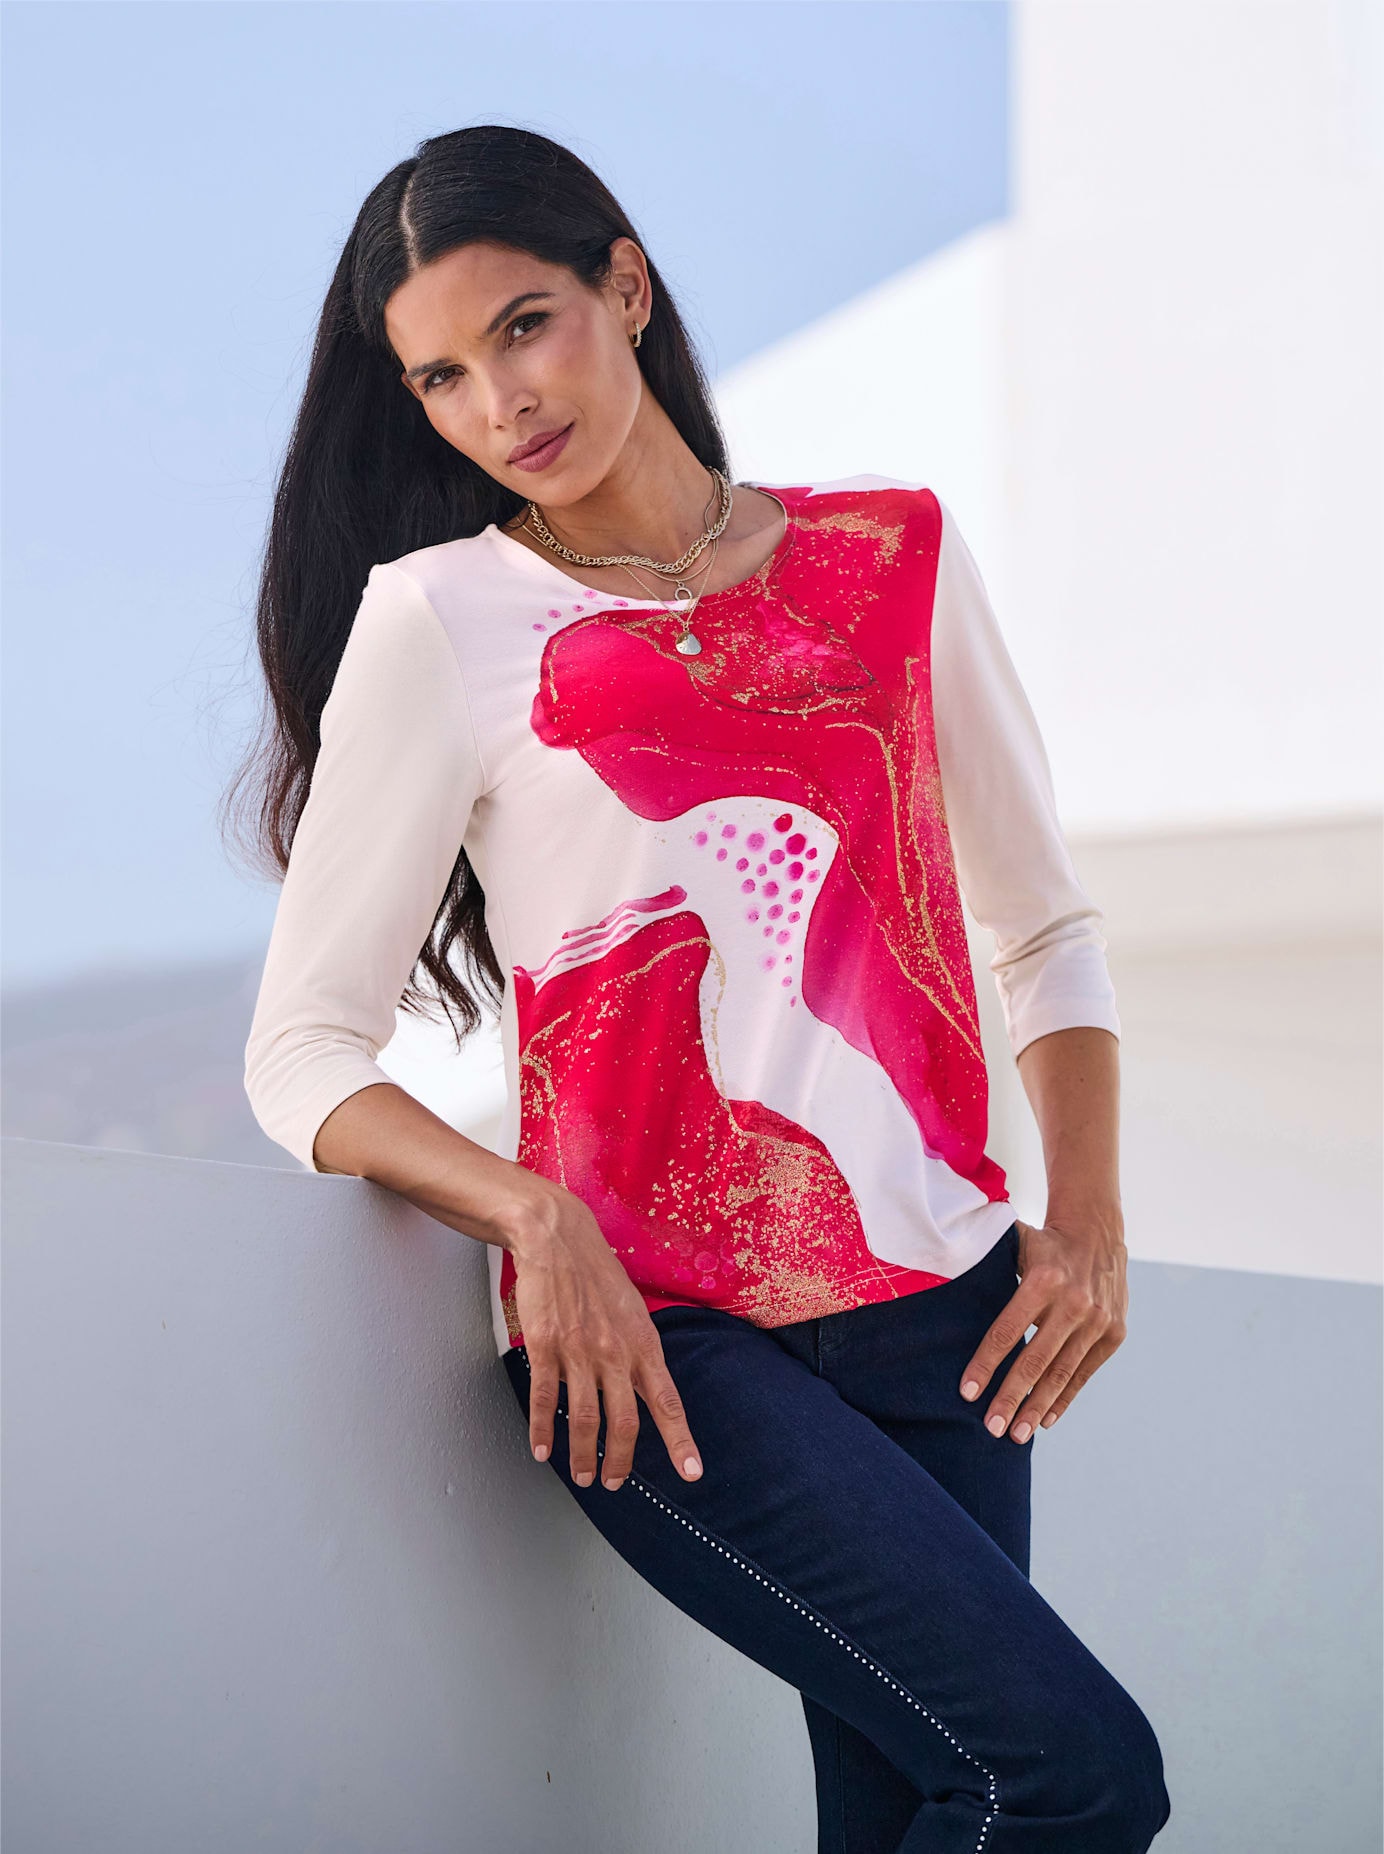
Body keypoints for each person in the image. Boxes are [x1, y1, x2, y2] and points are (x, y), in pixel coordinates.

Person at [237, 123, 1172, 1852]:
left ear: (627, 286)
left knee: (934, 1796)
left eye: (524, 325)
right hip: (661, 1344)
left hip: (956, 1314)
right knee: (1069, 1771)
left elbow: (1044, 932)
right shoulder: (442, 619)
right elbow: (300, 1053)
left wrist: (1090, 1223)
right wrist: (528, 1209)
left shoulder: (893, 553)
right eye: (443, 377)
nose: (501, 403)